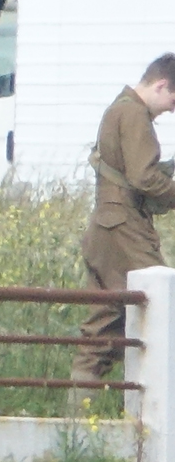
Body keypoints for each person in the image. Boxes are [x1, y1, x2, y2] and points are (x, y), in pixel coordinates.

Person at [68, 54, 175, 396]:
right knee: (161, 305)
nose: (172, 109)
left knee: (103, 329)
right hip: (125, 228)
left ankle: (76, 419)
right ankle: (155, 410)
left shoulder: (121, 108)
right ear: (161, 85)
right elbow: (144, 178)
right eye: (174, 98)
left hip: (107, 227)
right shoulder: (133, 114)